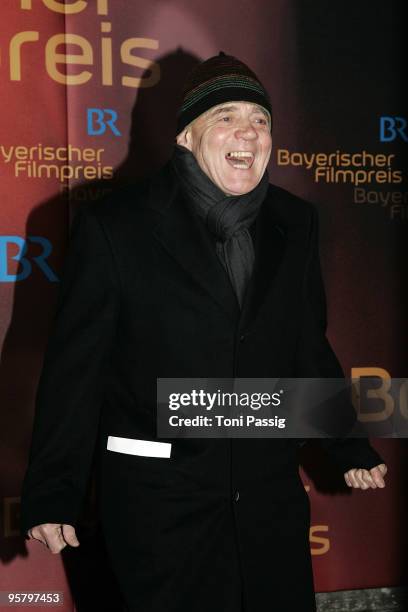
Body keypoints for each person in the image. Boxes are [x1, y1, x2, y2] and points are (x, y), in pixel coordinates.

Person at [20, 52, 387, 612]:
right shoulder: (116, 226)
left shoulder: (295, 223)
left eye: (261, 120)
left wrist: (347, 441)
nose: (248, 132)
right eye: (227, 116)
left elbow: (307, 347)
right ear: (188, 137)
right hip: (159, 514)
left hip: (269, 510)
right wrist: (52, 491)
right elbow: (76, 374)